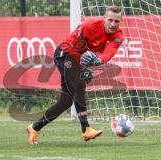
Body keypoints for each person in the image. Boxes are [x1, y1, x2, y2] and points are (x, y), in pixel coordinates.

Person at [27, 6, 124, 145]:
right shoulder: (89, 26)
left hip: (75, 59)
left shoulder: (119, 36)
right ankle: (86, 129)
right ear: (104, 19)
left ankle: (34, 128)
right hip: (64, 55)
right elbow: (74, 50)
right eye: (110, 20)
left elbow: (109, 52)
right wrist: (82, 68)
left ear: (120, 21)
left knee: (65, 102)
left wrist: (99, 60)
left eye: (116, 21)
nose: (113, 24)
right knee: (79, 83)